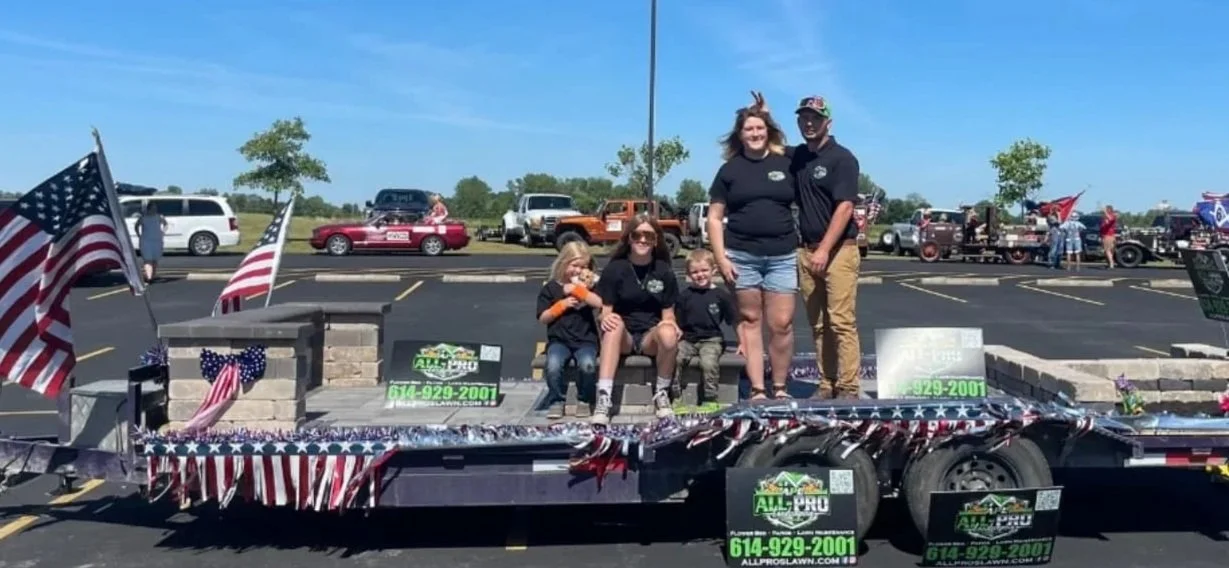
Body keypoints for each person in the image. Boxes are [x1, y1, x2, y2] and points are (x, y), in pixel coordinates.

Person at [754, 93, 863, 399]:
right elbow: (772, 144)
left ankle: (849, 387)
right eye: (804, 118)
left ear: (828, 121)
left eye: (815, 117)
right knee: (818, 324)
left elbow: (845, 208)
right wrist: (765, 117)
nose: (809, 123)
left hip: (838, 250)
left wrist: (825, 249)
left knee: (841, 322)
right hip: (806, 250)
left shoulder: (842, 159)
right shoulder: (799, 155)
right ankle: (827, 383)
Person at [707, 105, 797, 401]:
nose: (755, 133)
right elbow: (714, 218)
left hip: (782, 255)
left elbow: (807, 156)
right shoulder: (729, 170)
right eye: (749, 129)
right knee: (750, 321)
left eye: (760, 128)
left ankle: (780, 387)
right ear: (740, 135)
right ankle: (758, 389)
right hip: (742, 255)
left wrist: (768, 114)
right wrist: (721, 258)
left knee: (781, 324)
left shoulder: (786, 162)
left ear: (768, 131)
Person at [594, 213, 681, 424]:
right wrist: (605, 318)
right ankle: (604, 398)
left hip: (650, 337)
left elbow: (668, 315)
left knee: (668, 333)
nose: (643, 240)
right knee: (613, 324)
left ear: (656, 240)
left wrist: (672, 326)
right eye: (637, 235)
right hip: (623, 336)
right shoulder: (615, 269)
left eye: (649, 236)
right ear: (629, 238)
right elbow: (605, 310)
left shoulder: (664, 271)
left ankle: (662, 393)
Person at [536, 242, 603, 420]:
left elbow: (600, 303)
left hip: (586, 340)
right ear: (563, 263)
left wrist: (581, 292)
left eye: (584, 267)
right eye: (574, 265)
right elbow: (543, 317)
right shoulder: (551, 288)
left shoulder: (590, 287)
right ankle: (556, 399)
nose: (578, 271)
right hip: (559, 340)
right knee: (553, 365)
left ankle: (585, 399)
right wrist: (561, 305)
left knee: (588, 365)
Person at [672, 249, 738, 411]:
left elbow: (733, 320)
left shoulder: (721, 296)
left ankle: (710, 398)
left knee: (708, 363)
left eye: (704, 270)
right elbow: (676, 320)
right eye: (694, 272)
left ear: (713, 270)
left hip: (712, 339)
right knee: (675, 359)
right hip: (688, 339)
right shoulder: (684, 296)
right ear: (688, 274)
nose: (700, 275)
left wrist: (742, 341)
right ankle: (675, 397)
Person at [134, 202, 168, 283]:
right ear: (148, 208)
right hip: (146, 241)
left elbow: (166, 224)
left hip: (157, 241)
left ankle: (152, 276)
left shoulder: (159, 217)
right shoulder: (143, 217)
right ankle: (149, 278)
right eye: (153, 208)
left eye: (155, 208)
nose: (154, 210)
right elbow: (136, 226)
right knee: (148, 259)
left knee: (155, 260)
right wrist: (139, 234)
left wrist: (163, 232)